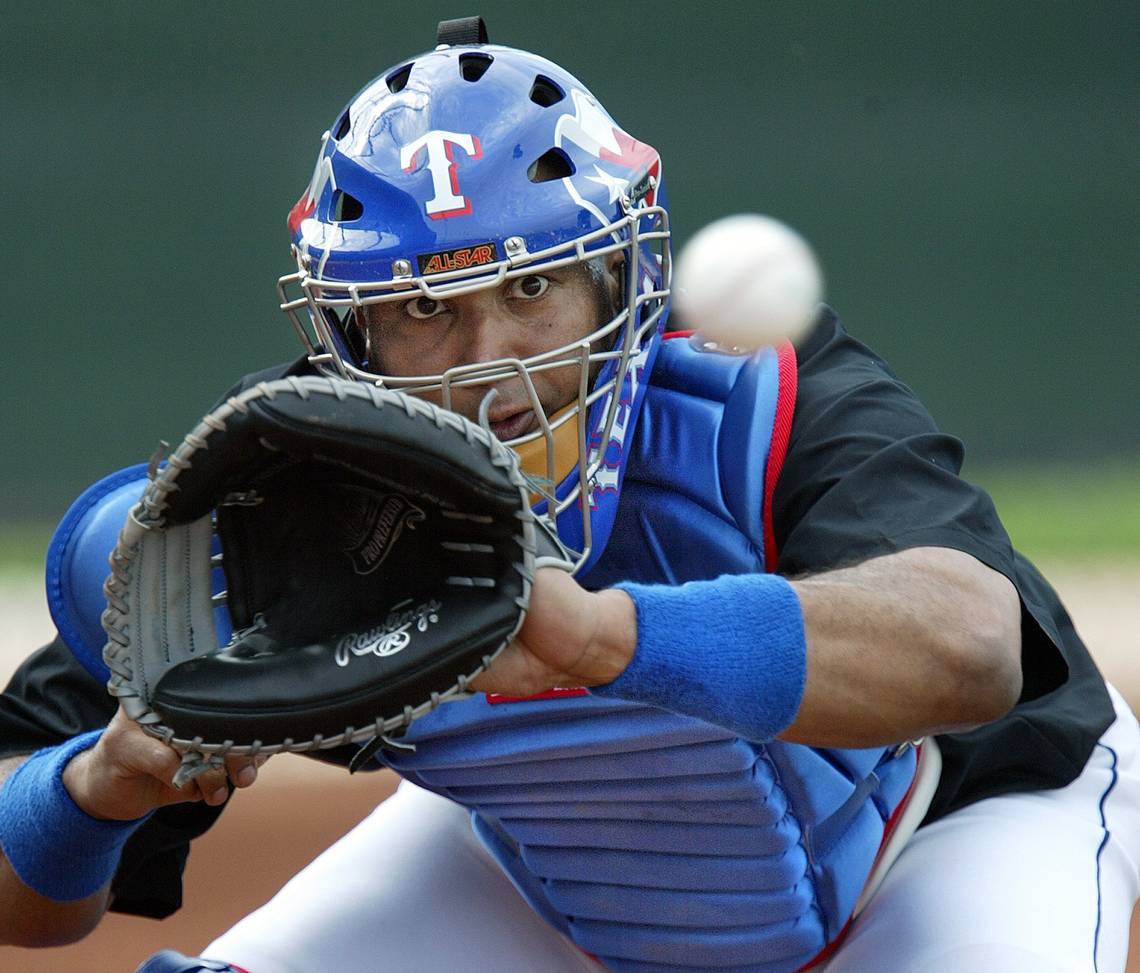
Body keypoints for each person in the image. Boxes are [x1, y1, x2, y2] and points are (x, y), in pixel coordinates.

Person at [2, 18, 1138, 973]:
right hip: (560, 866)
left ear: (618, 276)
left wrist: (598, 635)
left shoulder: (756, 405)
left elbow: (974, 647)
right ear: (348, 339)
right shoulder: (289, 494)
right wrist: (98, 786)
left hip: (951, 826)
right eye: (423, 311)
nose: (487, 365)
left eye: (534, 285)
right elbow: (27, 899)